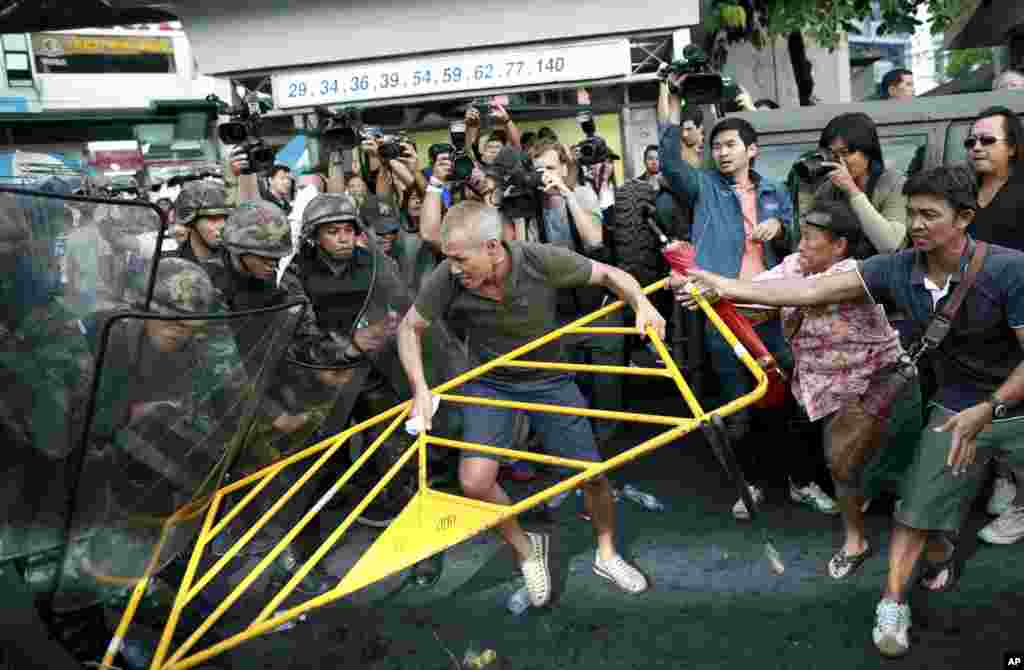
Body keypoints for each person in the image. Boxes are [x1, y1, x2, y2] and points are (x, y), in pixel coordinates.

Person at [677, 165, 1024, 658]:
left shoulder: (1009, 269)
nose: (917, 224)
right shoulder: (897, 267)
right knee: (914, 507)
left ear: (965, 218)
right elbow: (804, 291)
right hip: (955, 404)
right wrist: (717, 285)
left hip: (1009, 402)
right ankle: (893, 601)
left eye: (930, 214)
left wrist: (992, 407)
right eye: (912, 214)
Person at [398, 201, 664, 608]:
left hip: (549, 378)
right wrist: (419, 387)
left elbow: (611, 274)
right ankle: (527, 550)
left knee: (591, 475)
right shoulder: (446, 279)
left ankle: (607, 554)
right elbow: (409, 327)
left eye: (459, 259)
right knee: (474, 481)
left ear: (492, 246)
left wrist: (642, 303)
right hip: (490, 382)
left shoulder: (539, 260)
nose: (453, 268)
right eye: (448, 259)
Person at [659, 71, 798, 518]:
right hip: (724, 314)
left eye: (730, 145)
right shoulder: (705, 188)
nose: (721, 153)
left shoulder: (775, 189)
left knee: (786, 402)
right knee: (739, 409)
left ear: (751, 150)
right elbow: (669, 160)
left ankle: (797, 480)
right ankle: (750, 485)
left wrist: (781, 227)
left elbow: (800, 238)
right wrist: (674, 101)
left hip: (774, 313)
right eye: (716, 147)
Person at [294, 193, 416, 527]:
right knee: (324, 453)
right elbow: (297, 334)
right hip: (322, 374)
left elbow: (403, 308)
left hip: (373, 370)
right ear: (314, 237)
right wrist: (346, 347)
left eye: (348, 229)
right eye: (332, 231)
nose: (343, 237)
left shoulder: (377, 264)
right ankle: (326, 507)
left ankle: (391, 502)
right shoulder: (297, 272)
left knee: (390, 441)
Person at [965, 105, 1024, 544]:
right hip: (974, 321)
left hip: (1019, 316)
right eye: (971, 141)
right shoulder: (963, 194)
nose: (977, 148)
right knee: (994, 402)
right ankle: (1004, 475)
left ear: (1013, 148)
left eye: (988, 141)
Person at [802, 113, 908, 255]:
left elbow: (890, 244)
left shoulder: (894, 183)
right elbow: (812, 241)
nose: (839, 161)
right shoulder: (828, 189)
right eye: (832, 154)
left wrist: (852, 190)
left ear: (868, 151)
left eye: (845, 153)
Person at [173, 180, 231, 264]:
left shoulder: (239, 263)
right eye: (212, 218)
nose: (223, 225)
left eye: (226, 217)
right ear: (190, 222)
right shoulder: (176, 265)